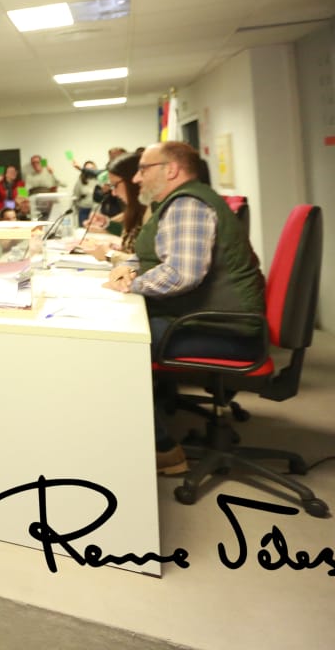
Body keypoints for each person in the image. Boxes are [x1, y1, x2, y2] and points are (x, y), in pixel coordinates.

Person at [102, 142, 265, 476]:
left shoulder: (187, 205)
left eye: (143, 169)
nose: (136, 178)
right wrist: (128, 269)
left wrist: (131, 285)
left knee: (113, 347)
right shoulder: (175, 204)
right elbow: (152, 256)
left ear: (171, 169)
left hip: (223, 330)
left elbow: (182, 274)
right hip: (203, 319)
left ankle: (163, 449)